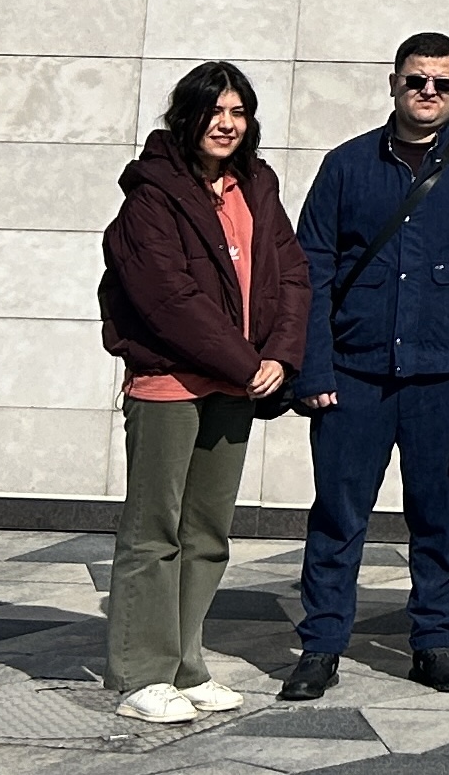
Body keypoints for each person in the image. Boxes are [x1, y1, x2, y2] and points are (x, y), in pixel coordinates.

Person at [284, 32, 449, 700]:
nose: (428, 93)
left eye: (442, 83)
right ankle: (321, 646)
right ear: (393, 84)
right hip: (354, 374)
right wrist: (314, 371)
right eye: (417, 80)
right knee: (338, 516)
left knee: (440, 517)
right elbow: (310, 272)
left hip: (444, 375)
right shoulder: (346, 165)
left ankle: (434, 642)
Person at [97, 60, 309, 727]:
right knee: (154, 532)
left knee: (207, 533)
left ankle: (185, 666)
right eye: (215, 111)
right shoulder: (152, 197)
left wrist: (280, 356)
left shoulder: (256, 186)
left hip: (236, 383)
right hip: (170, 383)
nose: (227, 124)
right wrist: (248, 363)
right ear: (185, 117)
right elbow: (168, 300)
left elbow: (292, 276)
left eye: (238, 112)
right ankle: (142, 673)